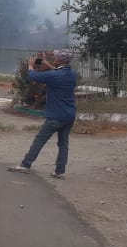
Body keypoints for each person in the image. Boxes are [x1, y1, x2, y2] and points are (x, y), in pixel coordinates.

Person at [9, 49, 77, 178]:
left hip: (56, 115)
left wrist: (30, 65)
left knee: (40, 140)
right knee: (63, 143)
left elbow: (32, 76)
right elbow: (57, 73)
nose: (54, 59)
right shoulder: (72, 74)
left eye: (55, 57)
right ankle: (59, 171)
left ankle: (25, 165)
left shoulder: (54, 75)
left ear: (59, 60)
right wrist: (45, 63)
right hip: (69, 114)